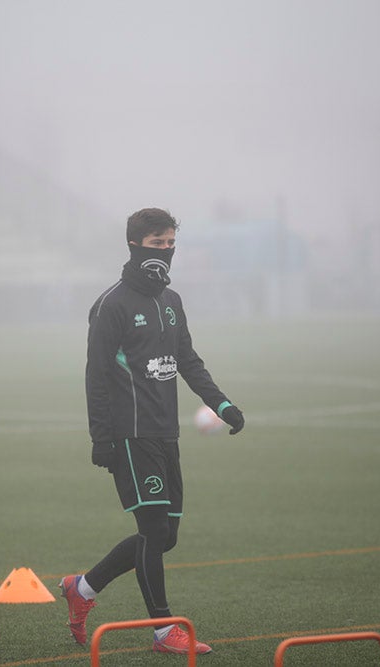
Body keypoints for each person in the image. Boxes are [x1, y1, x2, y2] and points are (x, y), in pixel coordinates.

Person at [60, 208, 245, 655]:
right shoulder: (111, 305)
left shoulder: (171, 301)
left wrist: (221, 404)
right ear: (134, 244)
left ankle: (82, 588)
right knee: (152, 527)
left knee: (166, 537)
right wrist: (100, 437)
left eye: (169, 243)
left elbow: (188, 360)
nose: (164, 250)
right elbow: (96, 375)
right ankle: (165, 631)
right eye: (156, 243)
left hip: (166, 432)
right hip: (130, 433)